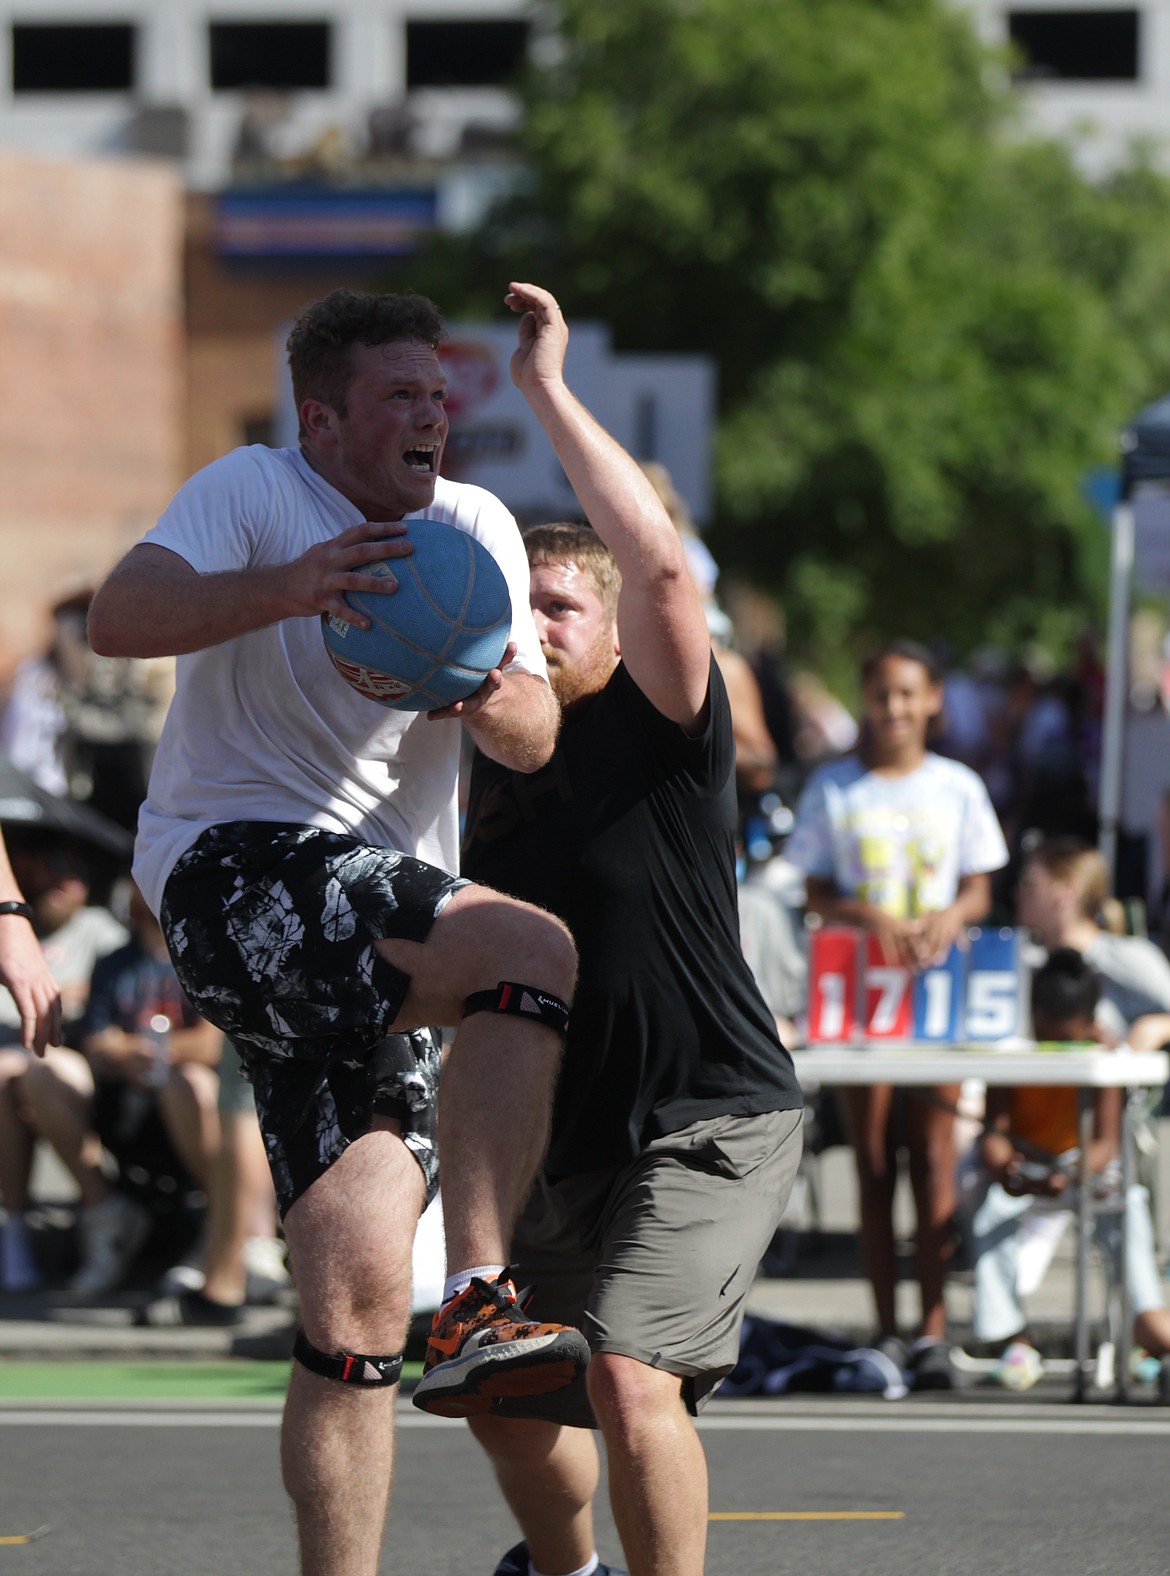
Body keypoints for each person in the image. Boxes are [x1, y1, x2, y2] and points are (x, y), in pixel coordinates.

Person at [85, 283, 592, 1576]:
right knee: (530, 952)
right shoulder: (252, 492)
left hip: (376, 913)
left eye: (439, 395)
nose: (431, 417)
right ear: (323, 418)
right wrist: (290, 588)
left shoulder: (472, 527)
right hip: (229, 871)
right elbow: (120, 617)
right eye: (399, 398)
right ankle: (480, 1294)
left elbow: (533, 740)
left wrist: (482, 690)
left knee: (357, 1281)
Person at [461, 284, 804, 1576]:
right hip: (569, 1138)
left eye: (559, 606)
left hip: (712, 1114)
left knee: (625, 1373)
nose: (535, 627)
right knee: (492, 1384)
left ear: (611, 627)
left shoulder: (662, 726)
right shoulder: (478, 757)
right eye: (518, 606)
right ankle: (564, 1571)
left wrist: (543, 390)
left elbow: (658, 562)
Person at [786, 638, 1009, 1388]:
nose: (895, 709)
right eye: (882, 694)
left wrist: (950, 915)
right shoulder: (835, 788)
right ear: (865, 699)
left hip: (939, 996)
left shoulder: (958, 786)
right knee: (876, 1163)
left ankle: (934, 1330)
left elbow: (981, 884)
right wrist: (865, 914)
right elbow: (813, 888)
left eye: (909, 693)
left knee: (936, 1160)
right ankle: (885, 1328)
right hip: (858, 1000)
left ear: (935, 699)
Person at [959, 948, 1170, 1392]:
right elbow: (995, 1132)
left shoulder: (1103, 1051)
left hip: (1080, 1165)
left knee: (1127, 1209)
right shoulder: (1012, 1054)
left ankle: (1147, 1326)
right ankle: (1009, 1336)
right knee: (989, 1211)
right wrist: (1003, 1165)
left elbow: (1106, 1144)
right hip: (1029, 1163)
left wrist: (1070, 1176)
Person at [23, 882, 223, 1300]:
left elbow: (208, 1045)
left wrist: (141, 1048)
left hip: (190, 1103)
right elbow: (97, 1042)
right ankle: (106, 1213)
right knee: (42, 1070)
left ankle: (222, 1225)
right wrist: (129, 1054)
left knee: (187, 1081)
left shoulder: (208, 953)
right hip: (121, 1100)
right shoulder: (116, 961)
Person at [0, 829, 127, 1292]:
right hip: (13, 1057)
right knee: (7, 1074)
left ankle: (99, 1204)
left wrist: (66, 993)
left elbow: (117, 989)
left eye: (74, 873)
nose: (62, 881)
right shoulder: (15, 928)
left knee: (28, 1070)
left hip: (73, 1057)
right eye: (52, 867)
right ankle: (14, 1230)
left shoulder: (97, 928)